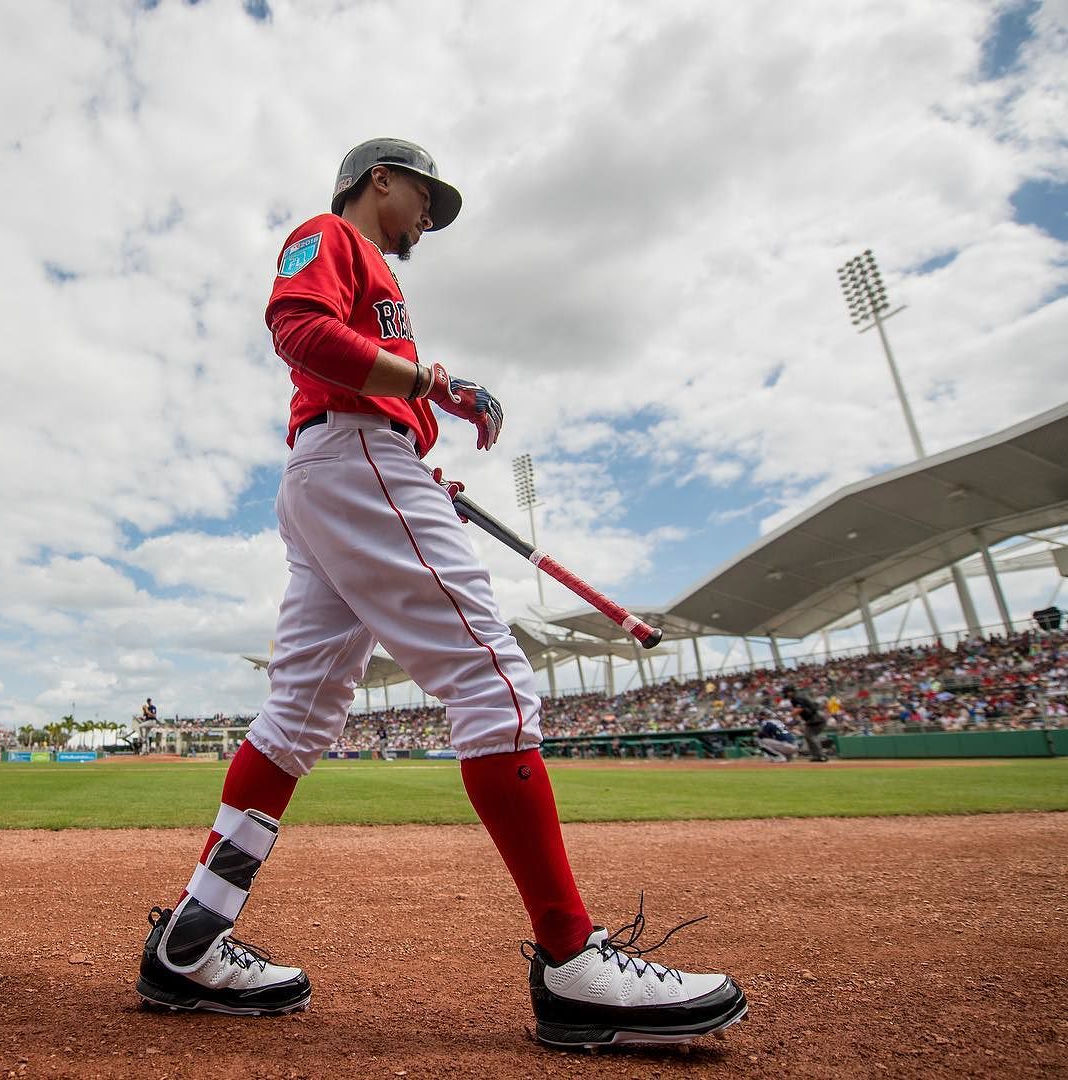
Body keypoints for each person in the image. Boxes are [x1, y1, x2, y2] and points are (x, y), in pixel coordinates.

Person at [134, 138, 746, 1048]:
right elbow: (297, 330)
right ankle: (573, 963)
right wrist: (433, 389)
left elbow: (354, 377)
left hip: (348, 467)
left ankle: (192, 938)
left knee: (299, 716)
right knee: (495, 679)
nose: (431, 214)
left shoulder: (378, 272)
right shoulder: (332, 239)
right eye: (426, 195)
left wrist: (415, 455)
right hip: (353, 457)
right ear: (379, 180)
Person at [783, 684, 830, 762]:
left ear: (790, 692)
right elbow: (800, 711)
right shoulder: (795, 698)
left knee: (811, 736)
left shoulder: (796, 697)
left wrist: (788, 716)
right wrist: (792, 719)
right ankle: (817, 756)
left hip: (816, 719)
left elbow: (799, 709)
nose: (785, 693)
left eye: (786, 692)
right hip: (812, 719)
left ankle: (821, 755)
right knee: (808, 736)